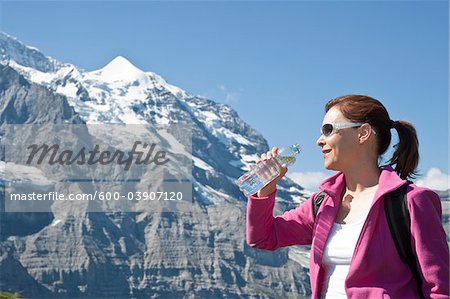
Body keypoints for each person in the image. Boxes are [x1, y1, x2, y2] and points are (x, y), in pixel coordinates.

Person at [246, 95, 449, 298]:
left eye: (328, 130)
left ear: (363, 133)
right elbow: (263, 237)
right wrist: (266, 189)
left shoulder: (411, 202)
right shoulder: (322, 203)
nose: (319, 141)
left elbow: (440, 289)